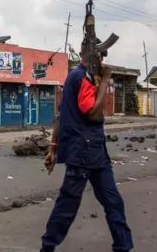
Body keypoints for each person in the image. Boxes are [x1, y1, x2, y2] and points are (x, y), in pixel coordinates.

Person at [40, 38, 133, 252]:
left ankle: (123, 247)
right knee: (67, 206)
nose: (102, 61)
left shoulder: (81, 77)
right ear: (92, 55)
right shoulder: (82, 78)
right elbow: (92, 113)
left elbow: (60, 115)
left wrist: (53, 147)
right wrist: (107, 80)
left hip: (96, 152)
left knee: (113, 202)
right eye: (100, 56)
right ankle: (47, 247)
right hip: (83, 152)